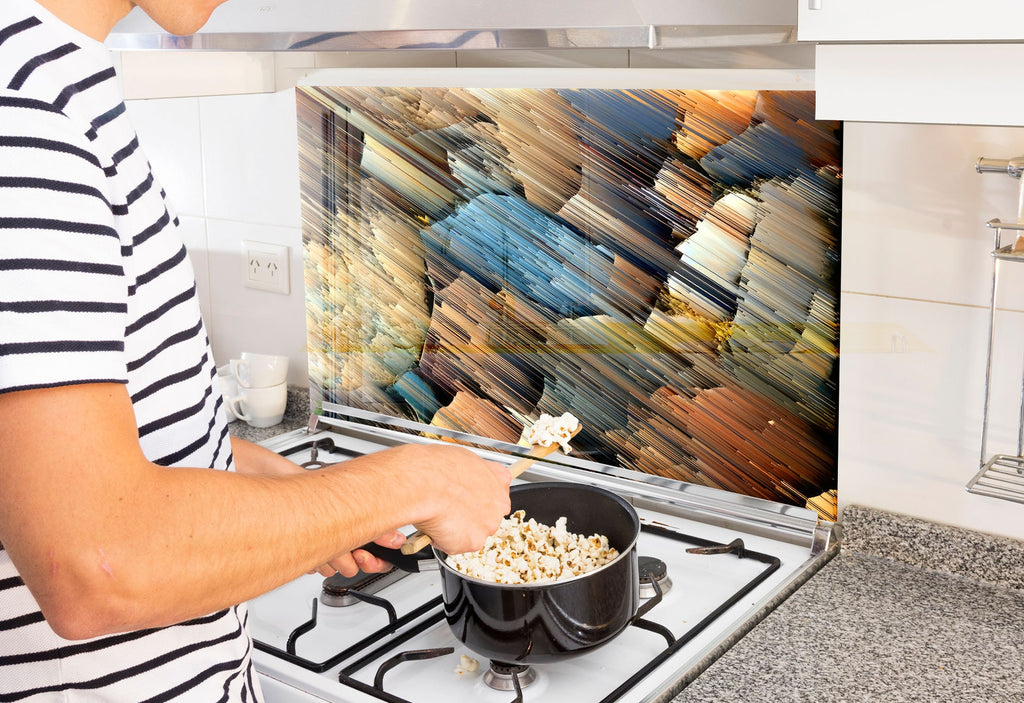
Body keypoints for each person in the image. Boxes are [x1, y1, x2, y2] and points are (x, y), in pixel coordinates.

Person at [0, 0, 512, 699]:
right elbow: (95, 564)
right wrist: (417, 480)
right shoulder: (24, 116)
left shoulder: (55, 80)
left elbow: (74, 457)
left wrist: (295, 498)